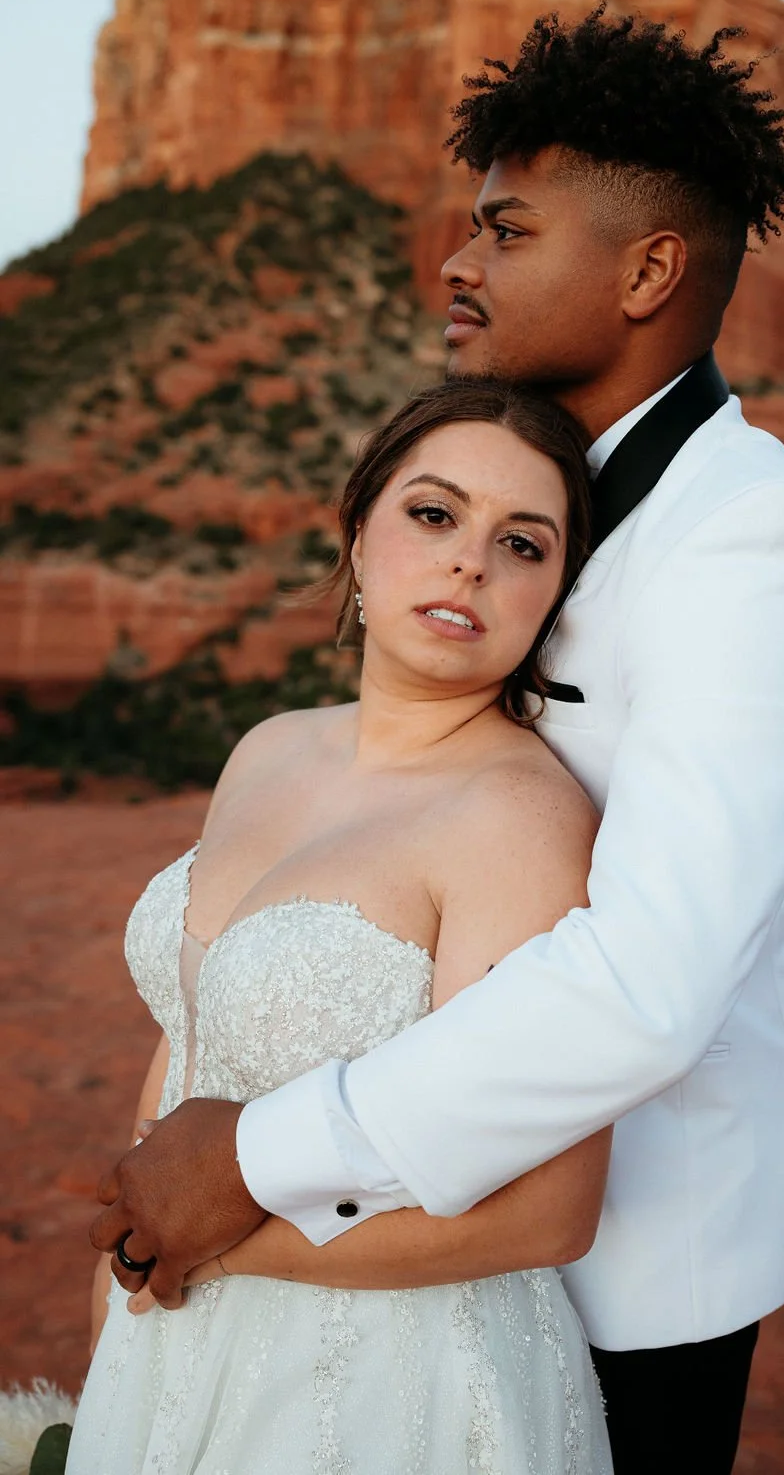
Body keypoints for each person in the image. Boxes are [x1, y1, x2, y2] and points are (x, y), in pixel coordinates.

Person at [91, 10, 784, 1473]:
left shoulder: (754, 541)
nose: (457, 263)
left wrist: (259, 1153)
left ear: (648, 269)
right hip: (391, 1217)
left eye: (506, 231)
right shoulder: (545, 472)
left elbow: (653, 977)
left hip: (628, 1248)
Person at [69, 382, 615, 1473]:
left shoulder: (520, 817)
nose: (470, 561)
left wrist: (220, 1246)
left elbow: (549, 1213)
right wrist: (116, 1335)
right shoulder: (269, 746)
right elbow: (187, 1044)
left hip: (388, 1384)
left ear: (553, 593)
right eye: (432, 514)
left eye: (522, 543)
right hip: (167, 1339)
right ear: (357, 534)